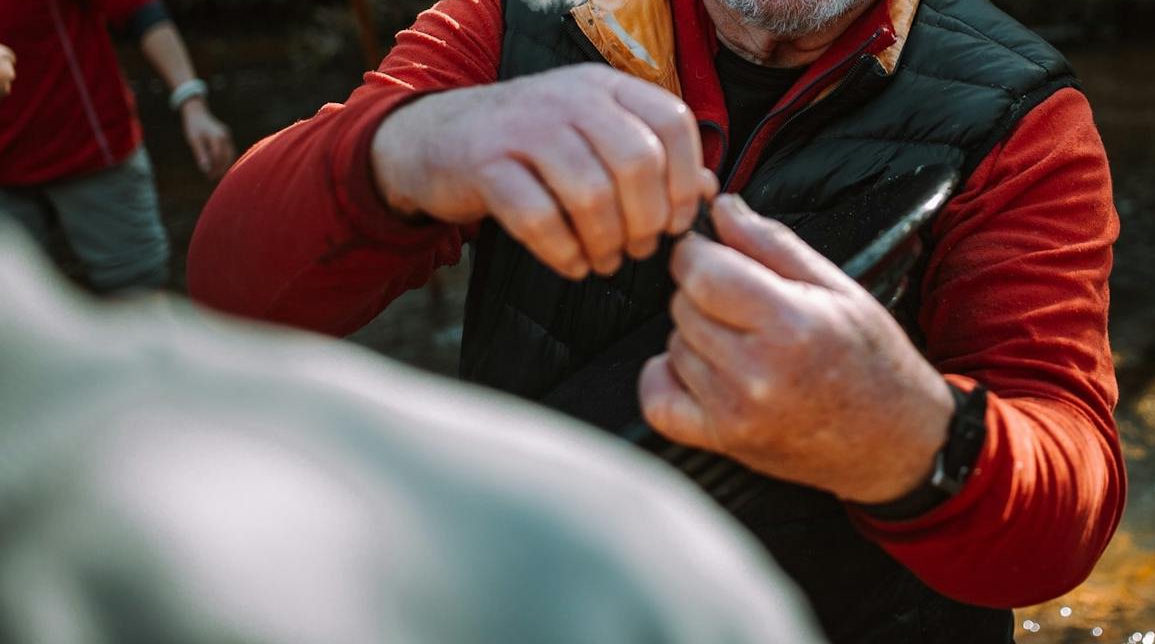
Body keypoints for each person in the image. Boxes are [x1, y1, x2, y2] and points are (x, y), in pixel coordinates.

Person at [189, 0, 1125, 642]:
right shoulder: (517, 15)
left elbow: (1069, 510)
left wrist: (905, 438)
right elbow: (230, 289)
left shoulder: (1023, 121)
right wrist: (415, 146)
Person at [0, 230, 822, 644]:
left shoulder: (611, 566)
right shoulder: (521, 8)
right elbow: (240, 272)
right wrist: (385, 152)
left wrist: (897, 455)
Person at [0, 0, 235, 291]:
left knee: (137, 292)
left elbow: (139, 9)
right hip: (5, 175)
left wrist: (191, 103)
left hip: (90, 156)